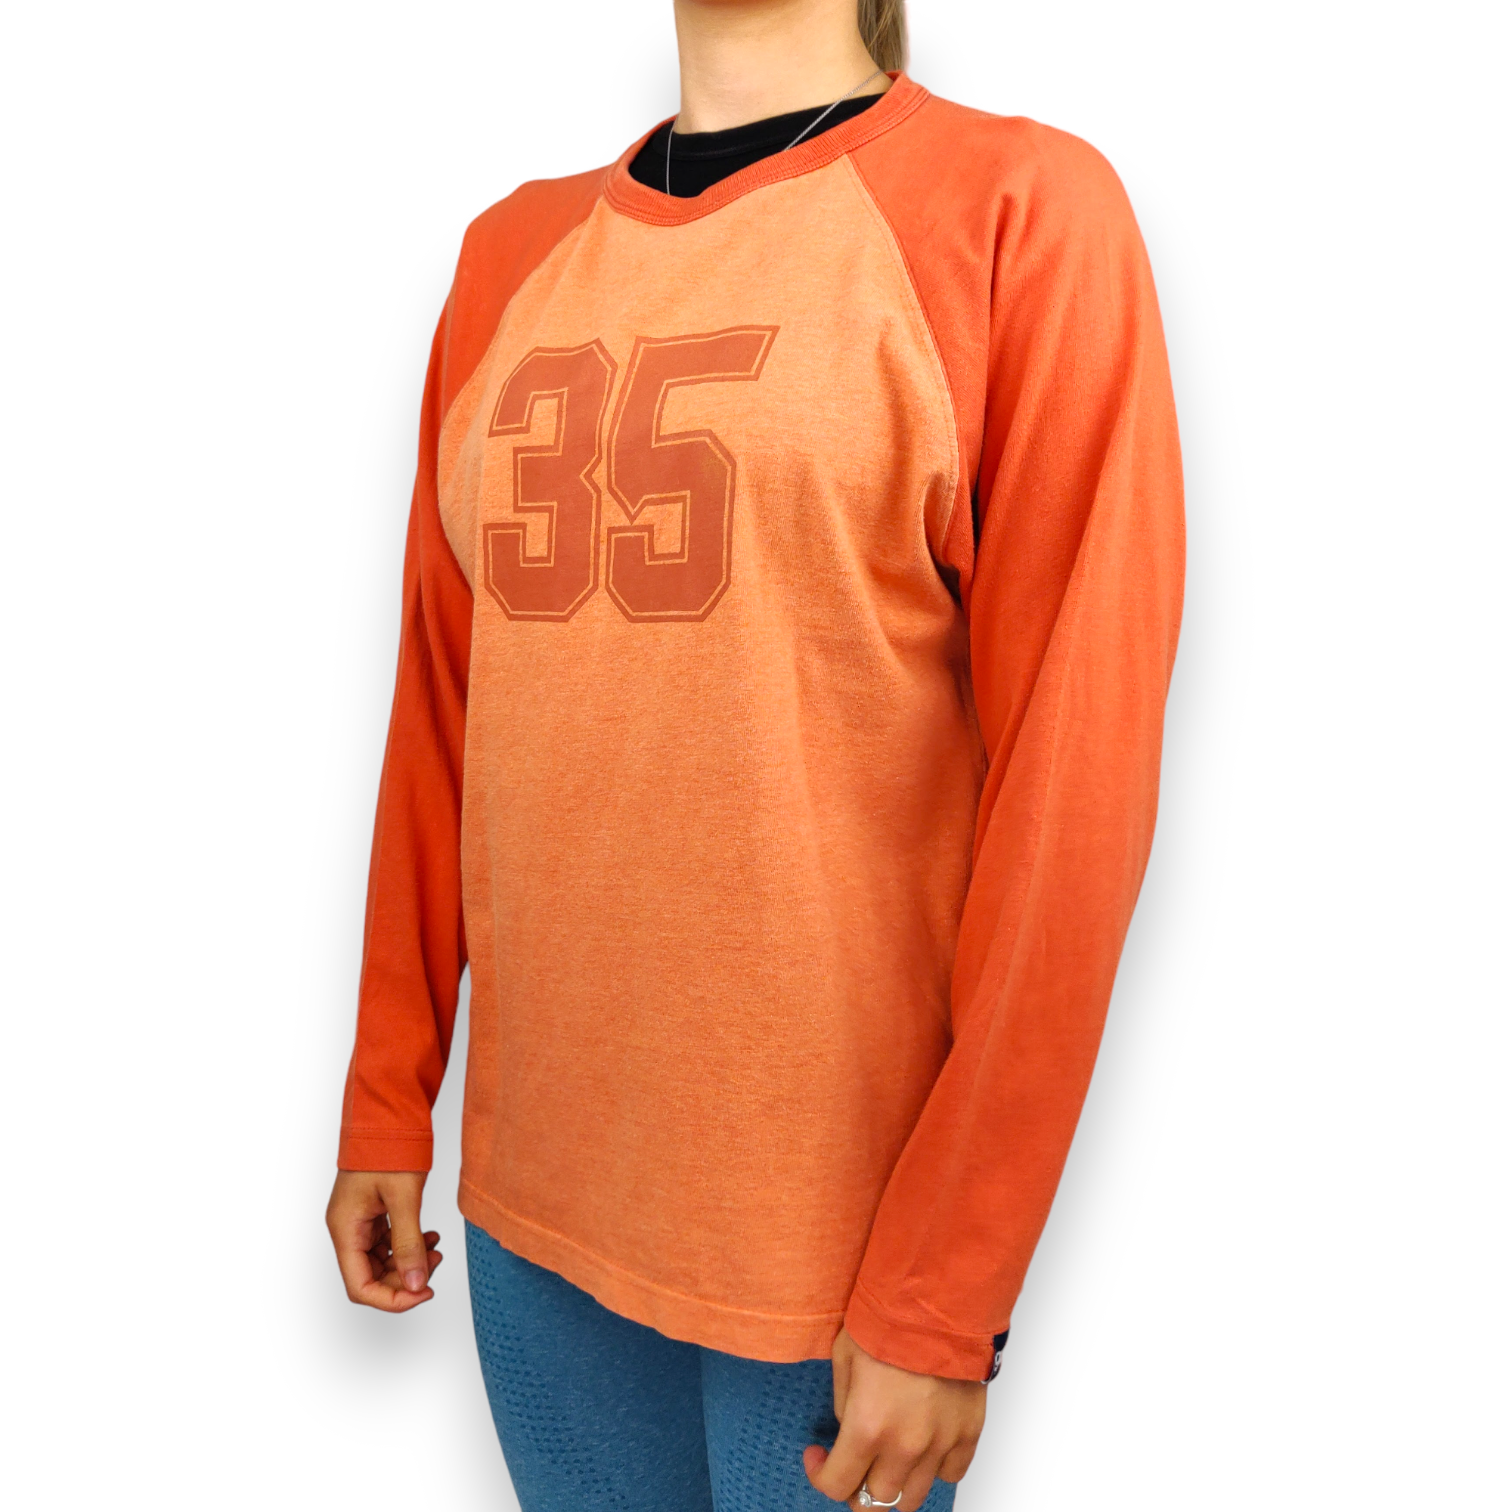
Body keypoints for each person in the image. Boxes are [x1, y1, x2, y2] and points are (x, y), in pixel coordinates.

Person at [324, 0, 1185, 1507]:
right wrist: (390, 1092)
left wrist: (949, 1281)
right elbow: (444, 706)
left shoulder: (1019, 211)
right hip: (533, 1212)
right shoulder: (507, 258)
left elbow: (1074, 789)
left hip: (832, 1262)